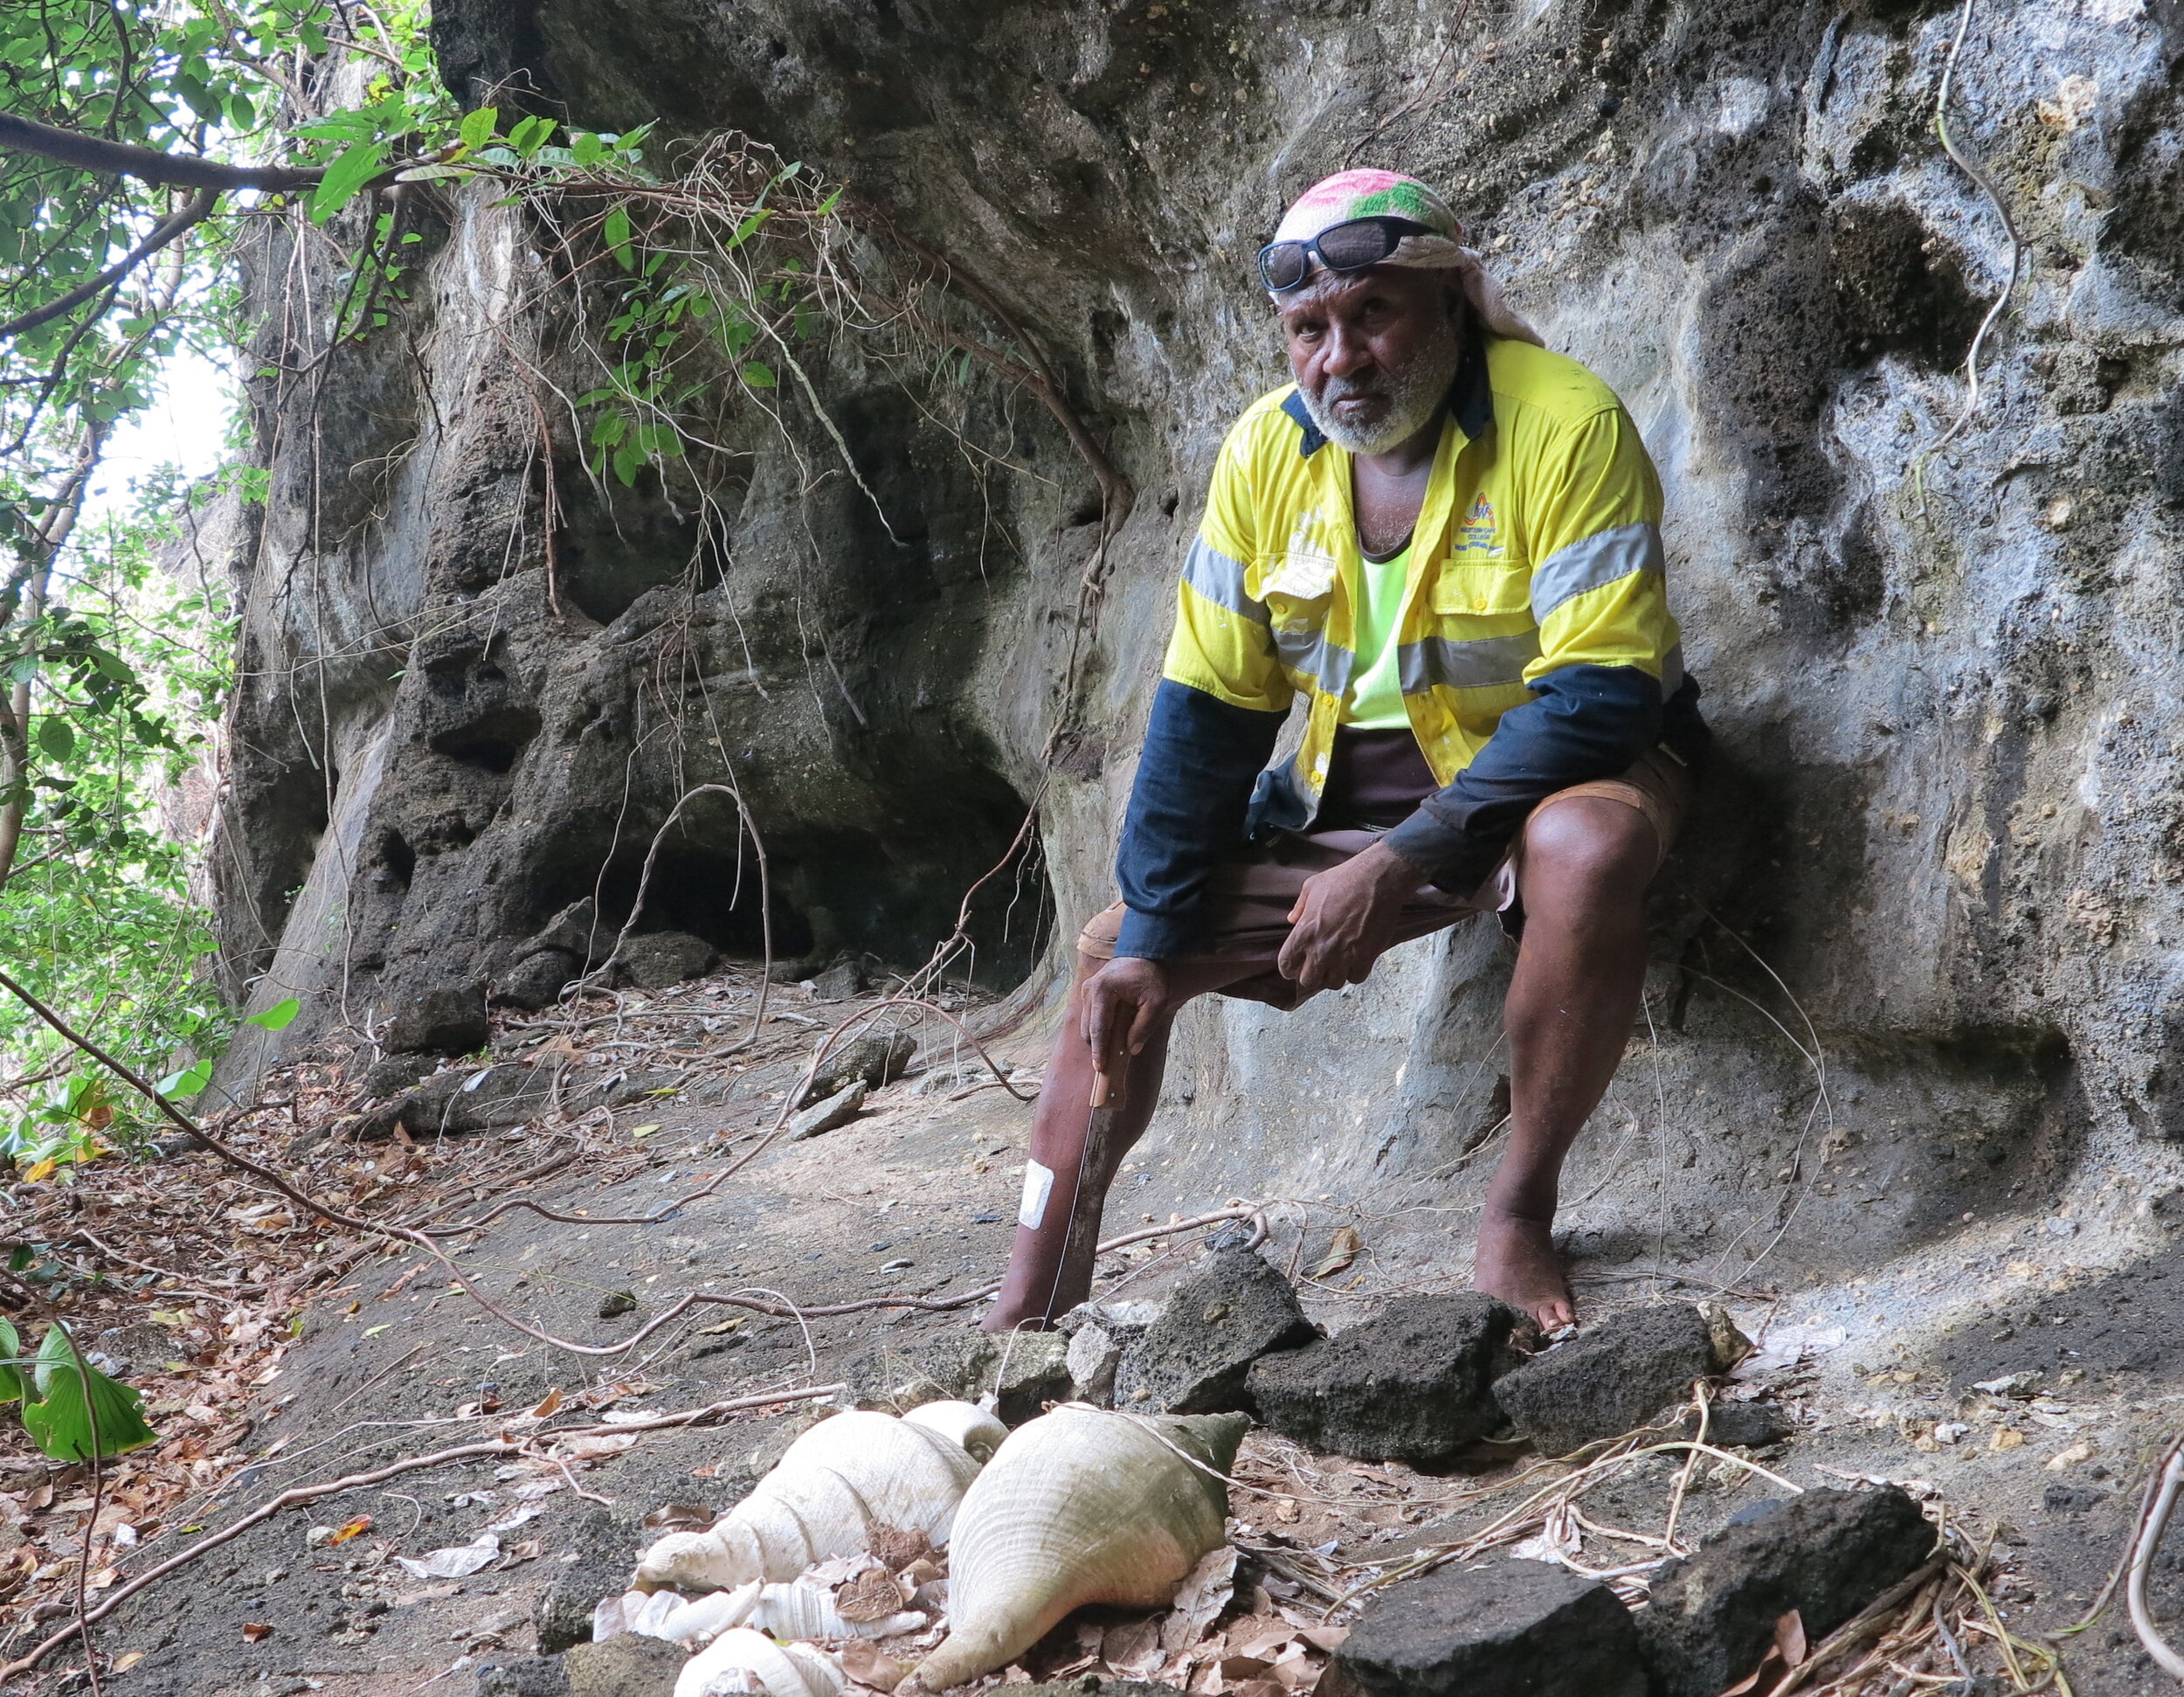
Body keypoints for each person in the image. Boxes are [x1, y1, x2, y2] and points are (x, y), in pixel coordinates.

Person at [984, 170, 1709, 1334]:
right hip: (1353, 793)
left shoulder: (1564, 423)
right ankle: (1027, 1310)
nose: (1341, 359)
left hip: (1560, 774)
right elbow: (1205, 715)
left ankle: (1519, 1211)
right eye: (1309, 329)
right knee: (1116, 962)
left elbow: (1602, 698)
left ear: (1451, 303)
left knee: (1586, 847)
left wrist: (1397, 863)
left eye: (1373, 315)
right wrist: (1159, 936)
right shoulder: (1265, 455)